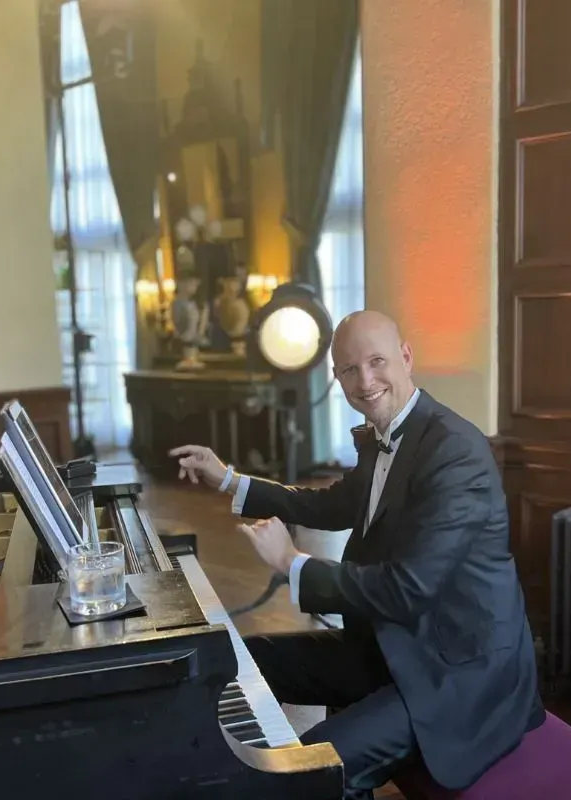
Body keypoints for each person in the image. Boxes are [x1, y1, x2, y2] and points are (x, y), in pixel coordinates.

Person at [169, 310, 545, 799]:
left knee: (304, 771)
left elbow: (408, 590)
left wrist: (292, 563)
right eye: (349, 369)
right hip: (393, 647)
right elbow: (328, 505)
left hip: (455, 673)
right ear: (337, 376)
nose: (365, 381)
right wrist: (229, 480)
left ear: (406, 357)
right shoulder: (385, 436)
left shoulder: (455, 452)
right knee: (237, 663)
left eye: (376, 362)